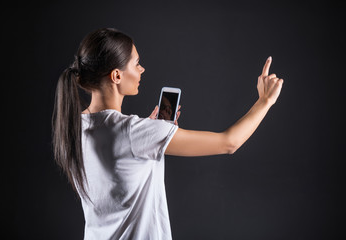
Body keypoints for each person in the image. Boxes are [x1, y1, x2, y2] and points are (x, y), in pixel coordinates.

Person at [52, 28, 283, 240]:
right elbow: (229, 142)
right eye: (136, 63)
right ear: (116, 76)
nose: (142, 69)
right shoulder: (134, 132)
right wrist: (265, 101)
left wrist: (152, 129)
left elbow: (116, 173)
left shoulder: (76, 126)